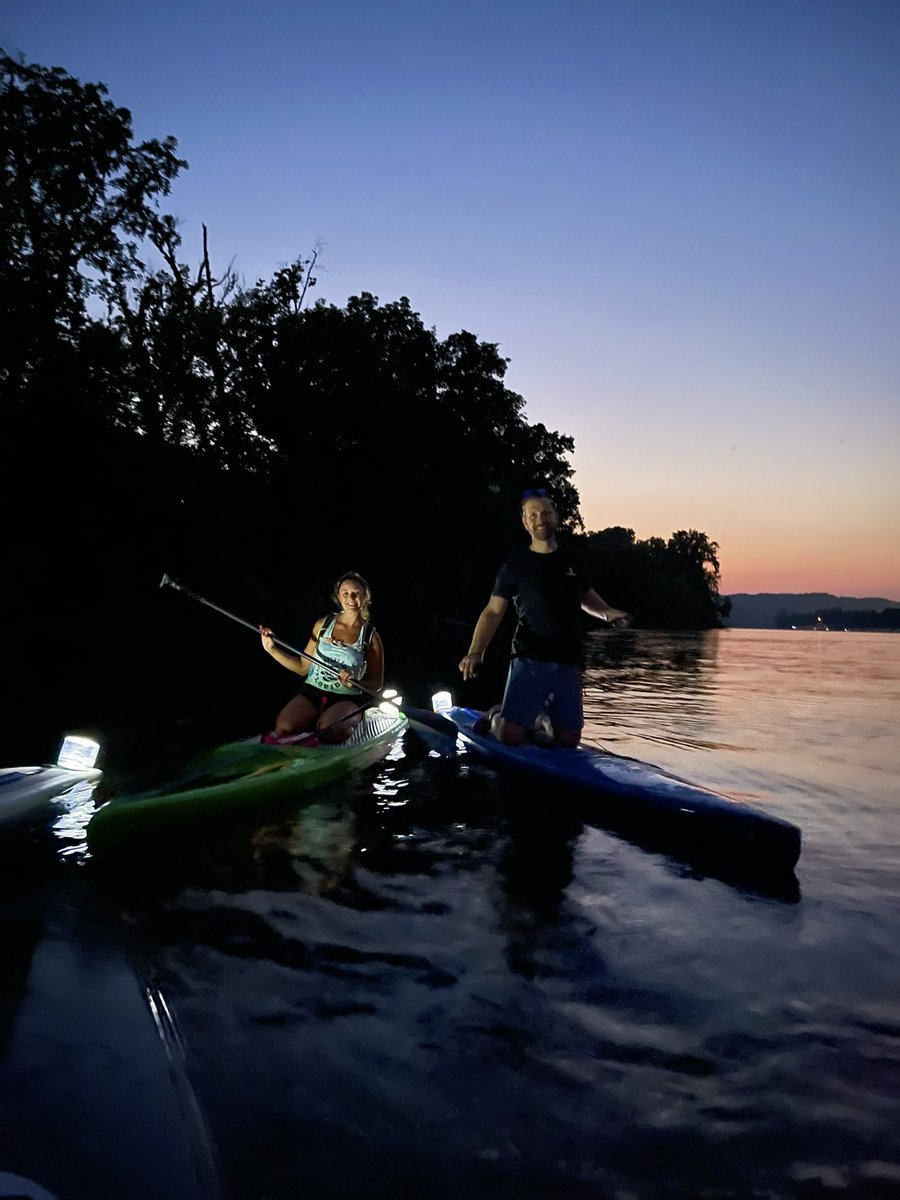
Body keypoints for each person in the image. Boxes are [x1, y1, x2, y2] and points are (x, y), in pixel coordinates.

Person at [458, 488, 629, 748]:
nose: (541, 519)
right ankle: (496, 714)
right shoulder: (515, 566)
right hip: (530, 658)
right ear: (525, 522)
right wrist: (475, 651)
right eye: (533, 514)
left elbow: (584, 595)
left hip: (568, 659)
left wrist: (608, 612)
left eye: (546, 512)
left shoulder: (572, 558)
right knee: (509, 737)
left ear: (556, 517)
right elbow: (493, 612)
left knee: (568, 742)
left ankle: (538, 719)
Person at [260, 571, 384, 743]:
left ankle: (352, 728)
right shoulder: (322, 625)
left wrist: (357, 681)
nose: (351, 598)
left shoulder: (371, 636)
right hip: (313, 692)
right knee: (284, 727)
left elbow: (377, 684)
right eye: (345, 593)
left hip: (346, 698)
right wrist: (272, 649)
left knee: (330, 732)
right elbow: (302, 668)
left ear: (365, 597)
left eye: (356, 594)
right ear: (339, 597)